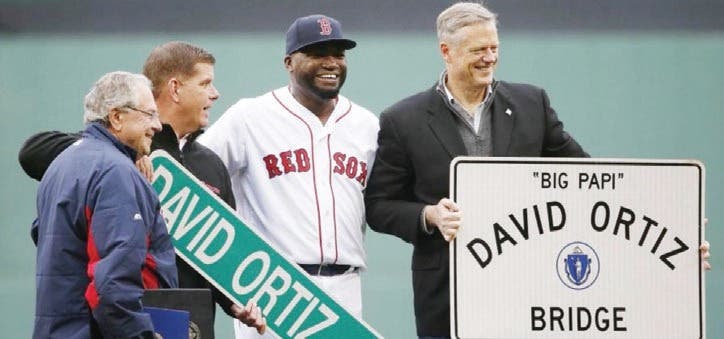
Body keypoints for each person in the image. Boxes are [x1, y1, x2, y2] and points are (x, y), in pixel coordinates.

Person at [363, 2, 585, 338]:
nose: (490, 58)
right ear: (446, 52)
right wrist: (429, 215)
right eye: (478, 50)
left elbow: (589, 178)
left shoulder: (532, 104)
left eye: (494, 47)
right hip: (446, 294)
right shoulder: (402, 120)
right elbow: (379, 206)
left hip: (531, 288)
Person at [18, 42, 266, 333]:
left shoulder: (210, 163)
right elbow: (32, 151)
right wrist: (127, 158)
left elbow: (222, 254)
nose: (215, 93)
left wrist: (233, 303)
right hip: (129, 321)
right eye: (206, 83)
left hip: (182, 321)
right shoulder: (113, 159)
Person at [197, 14, 378, 338]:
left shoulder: (366, 124)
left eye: (338, 53)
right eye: (318, 53)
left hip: (345, 287)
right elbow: (195, 171)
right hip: (273, 287)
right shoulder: (249, 117)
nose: (331, 63)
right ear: (289, 62)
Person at [33, 71, 177, 338]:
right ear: (117, 117)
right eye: (149, 114)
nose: (158, 125)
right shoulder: (115, 172)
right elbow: (112, 285)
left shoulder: (61, 164)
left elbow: (43, 235)